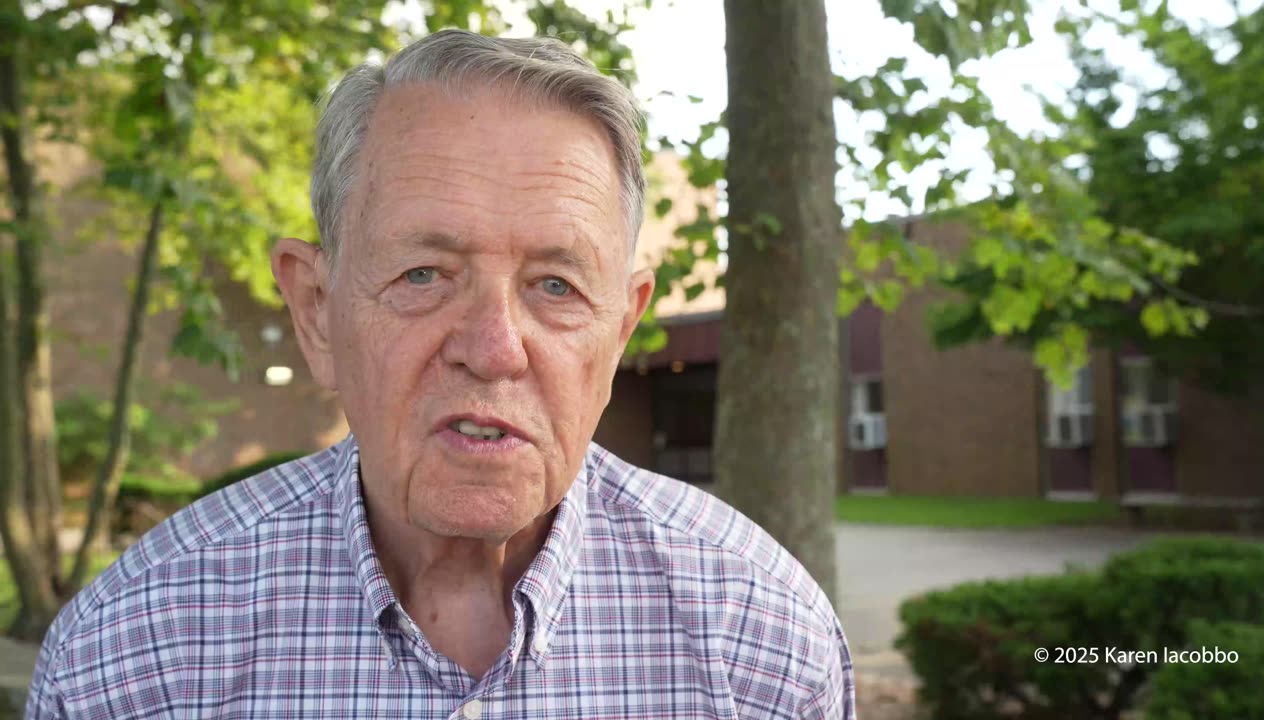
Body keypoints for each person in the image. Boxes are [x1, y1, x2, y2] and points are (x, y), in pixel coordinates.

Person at [27, 29, 855, 719]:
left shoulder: (763, 641)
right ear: (316, 310)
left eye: (556, 287)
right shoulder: (134, 656)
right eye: (423, 275)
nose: (493, 349)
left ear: (620, 332)